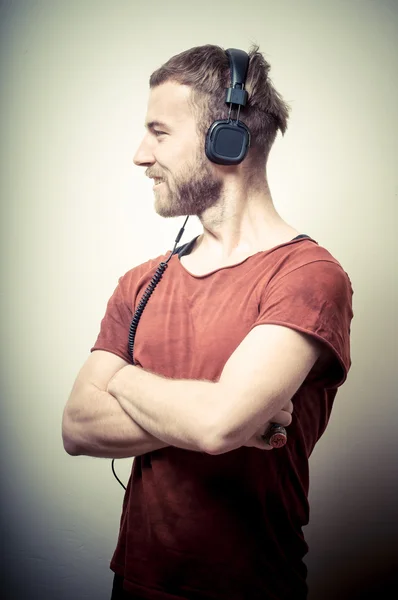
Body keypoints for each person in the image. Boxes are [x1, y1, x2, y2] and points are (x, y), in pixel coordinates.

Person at [62, 44, 354, 600]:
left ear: (228, 138)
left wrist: (119, 382)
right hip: (134, 582)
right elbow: (77, 427)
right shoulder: (142, 282)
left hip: (248, 589)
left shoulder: (307, 276)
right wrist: (220, 417)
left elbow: (216, 426)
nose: (140, 155)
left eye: (159, 131)